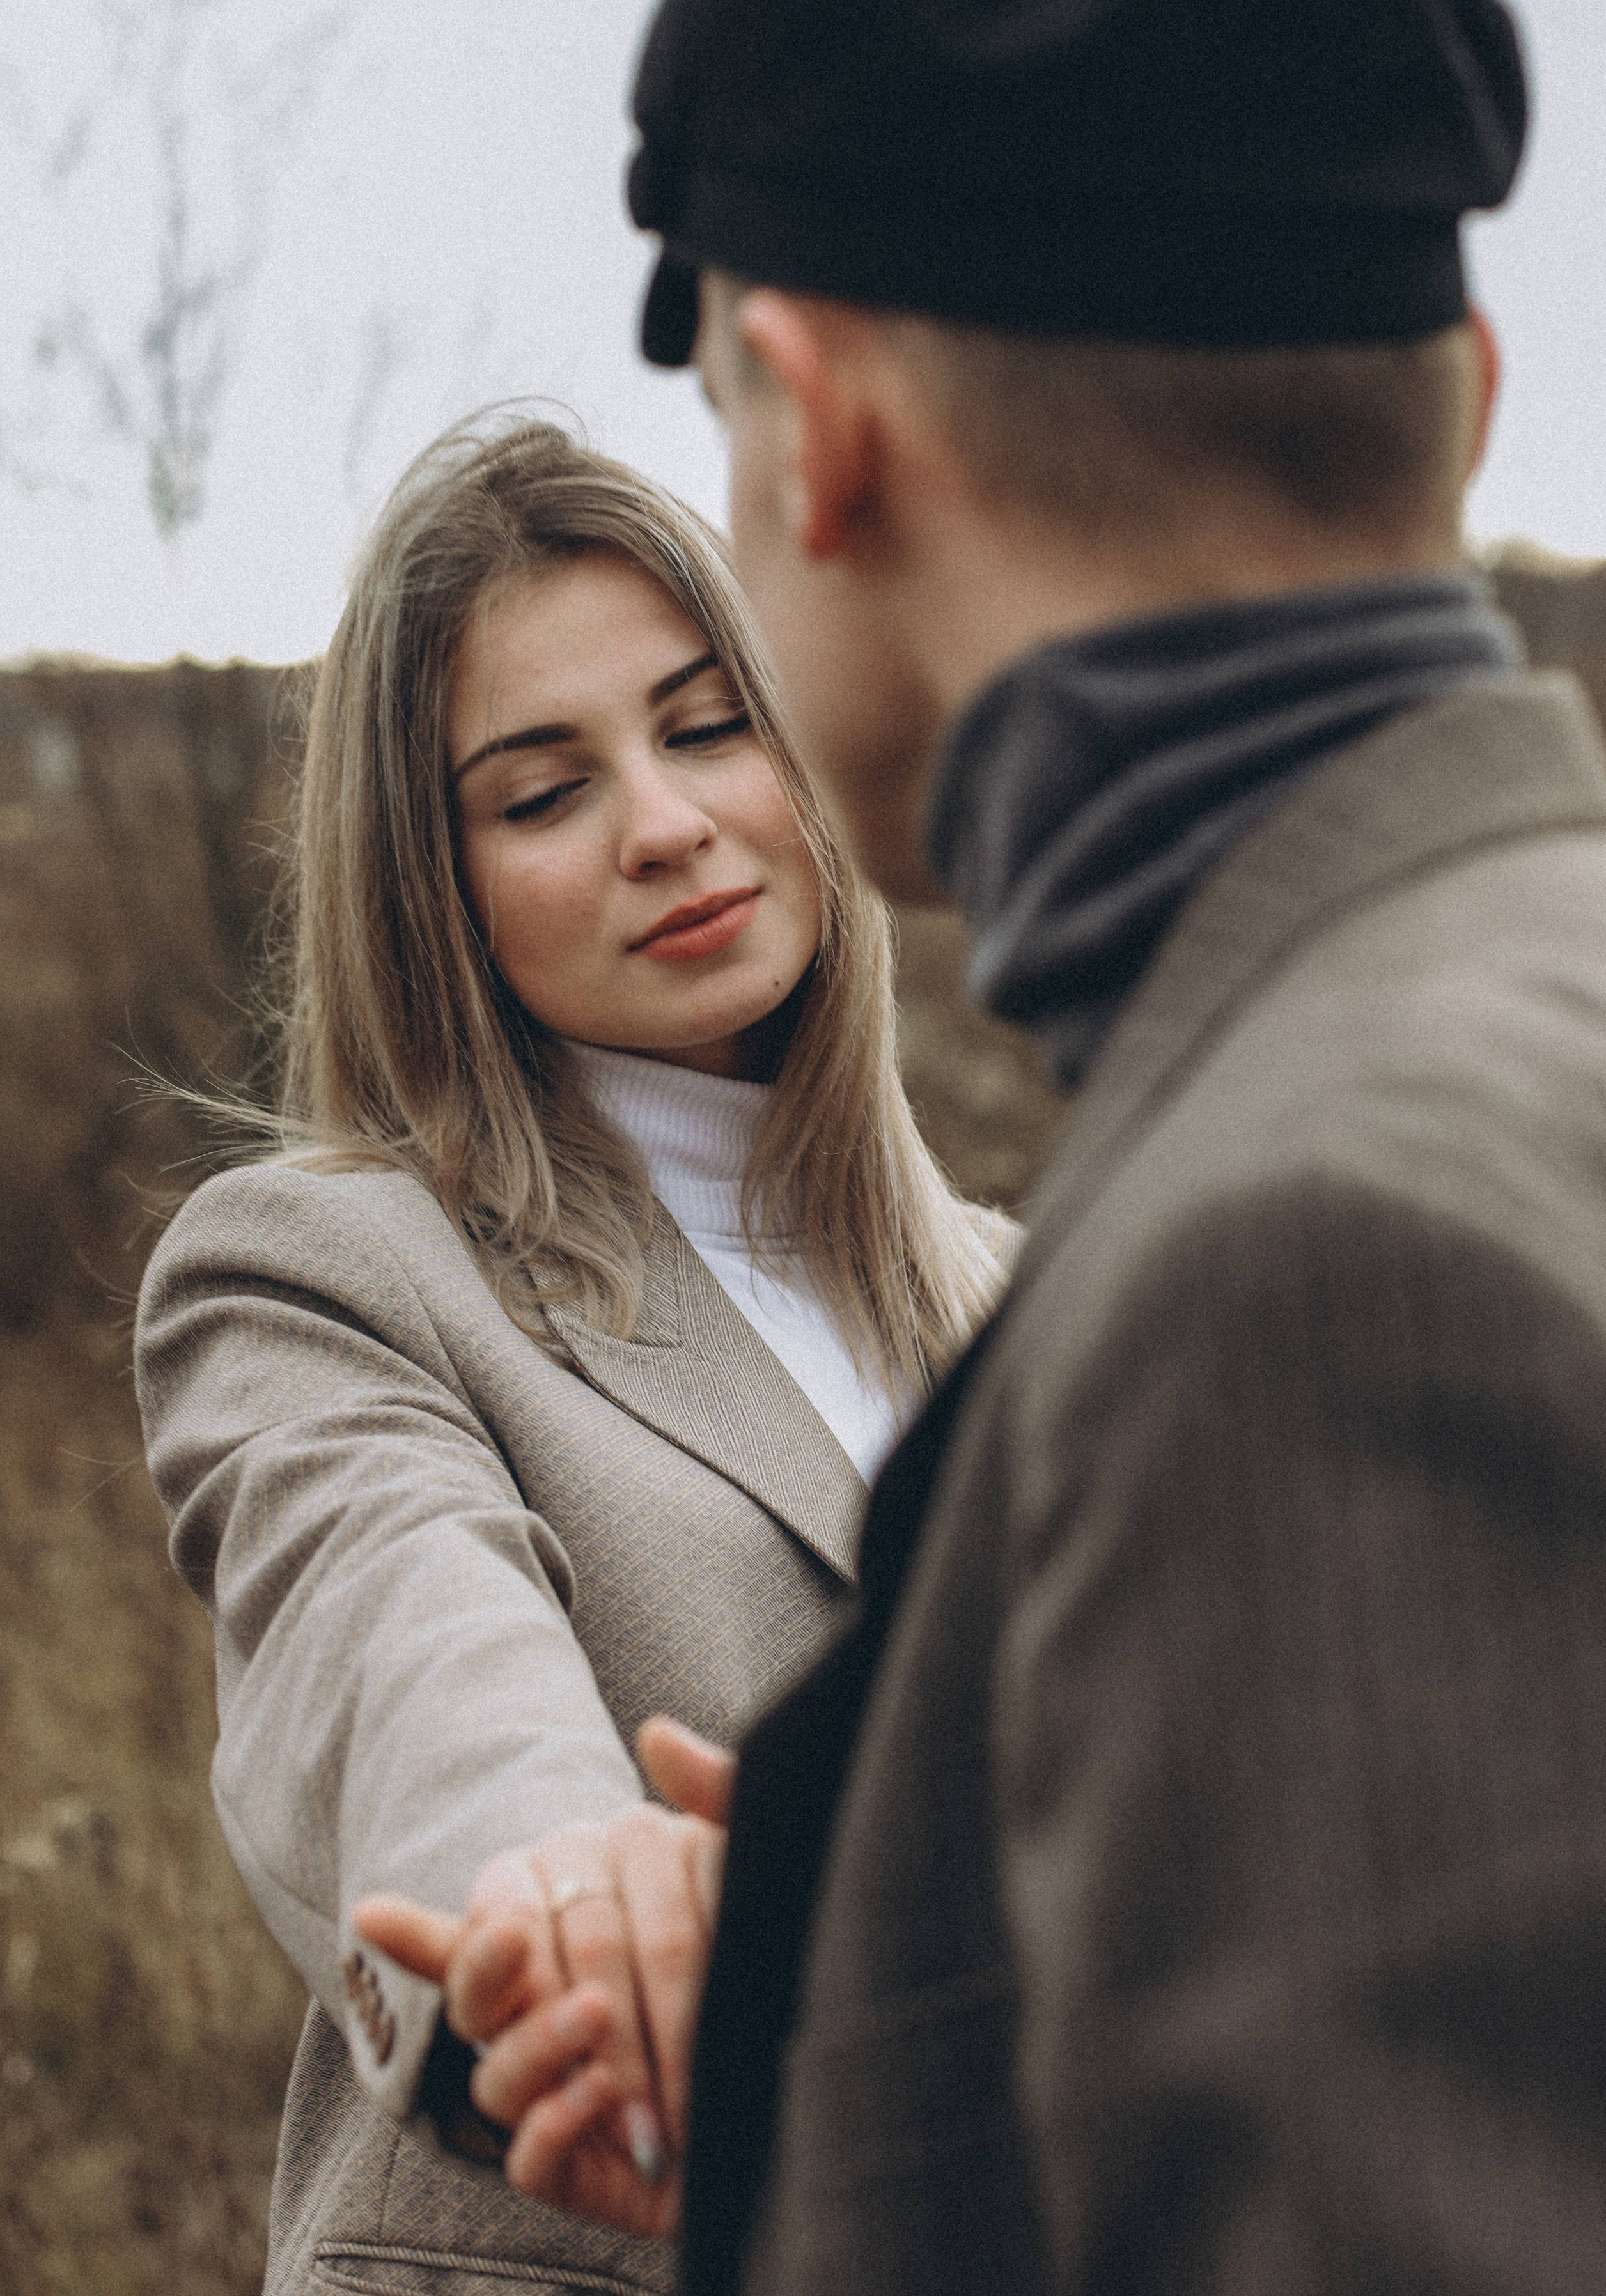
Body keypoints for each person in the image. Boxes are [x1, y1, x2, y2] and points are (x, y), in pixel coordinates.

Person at [369, 0, 1606, 2293]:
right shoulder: (1544, 1004)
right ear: (1463, 408)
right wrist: (886, 1982)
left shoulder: (1321, 1265)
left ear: (817, 440)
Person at [134, 413, 1012, 2295]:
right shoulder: (327, 1266)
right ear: (431, 886)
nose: (666, 824)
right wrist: (565, 1895)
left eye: (706, 728)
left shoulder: (1036, 1307)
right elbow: (401, 1630)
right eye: (543, 794)